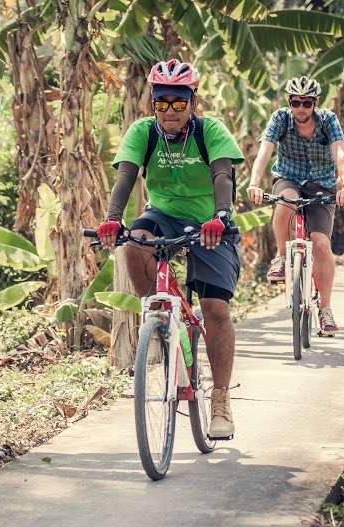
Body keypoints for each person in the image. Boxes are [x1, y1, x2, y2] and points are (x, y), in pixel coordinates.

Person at [96, 59, 244, 440]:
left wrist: (222, 216)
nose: (170, 111)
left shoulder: (209, 130)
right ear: (153, 102)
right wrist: (113, 218)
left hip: (210, 223)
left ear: (192, 101)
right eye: (162, 103)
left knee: (215, 309)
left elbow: (223, 174)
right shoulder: (143, 133)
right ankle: (160, 320)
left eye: (179, 103)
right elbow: (127, 176)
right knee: (134, 244)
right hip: (162, 214)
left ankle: (221, 401)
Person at [246, 76, 344, 336]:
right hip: (288, 178)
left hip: (322, 183)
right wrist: (254, 183)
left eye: (307, 103)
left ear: (315, 103)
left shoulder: (328, 121)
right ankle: (282, 257)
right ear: (289, 102)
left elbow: (340, 152)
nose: (301, 108)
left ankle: (325, 309)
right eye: (296, 102)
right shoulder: (280, 119)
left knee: (322, 244)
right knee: (286, 203)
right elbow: (265, 152)